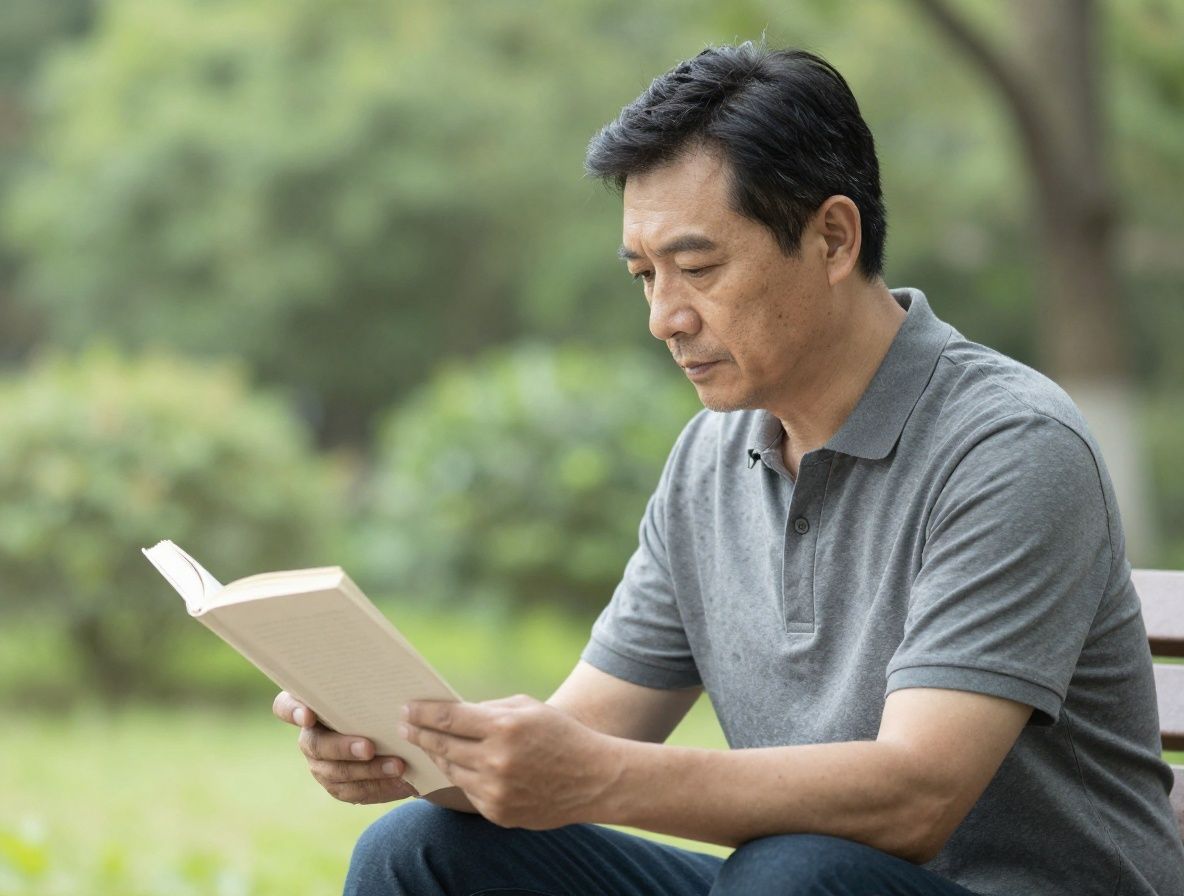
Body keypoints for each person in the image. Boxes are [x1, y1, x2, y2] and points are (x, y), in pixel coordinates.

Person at [273, 43, 1184, 895]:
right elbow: (587, 734)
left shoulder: (1008, 445)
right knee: (421, 851)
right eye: (643, 275)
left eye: (696, 267)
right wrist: (422, 757)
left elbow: (916, 797)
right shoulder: (713, 457)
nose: (664, 317)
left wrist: (597, 777)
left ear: (833, 239)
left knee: (788, 875)